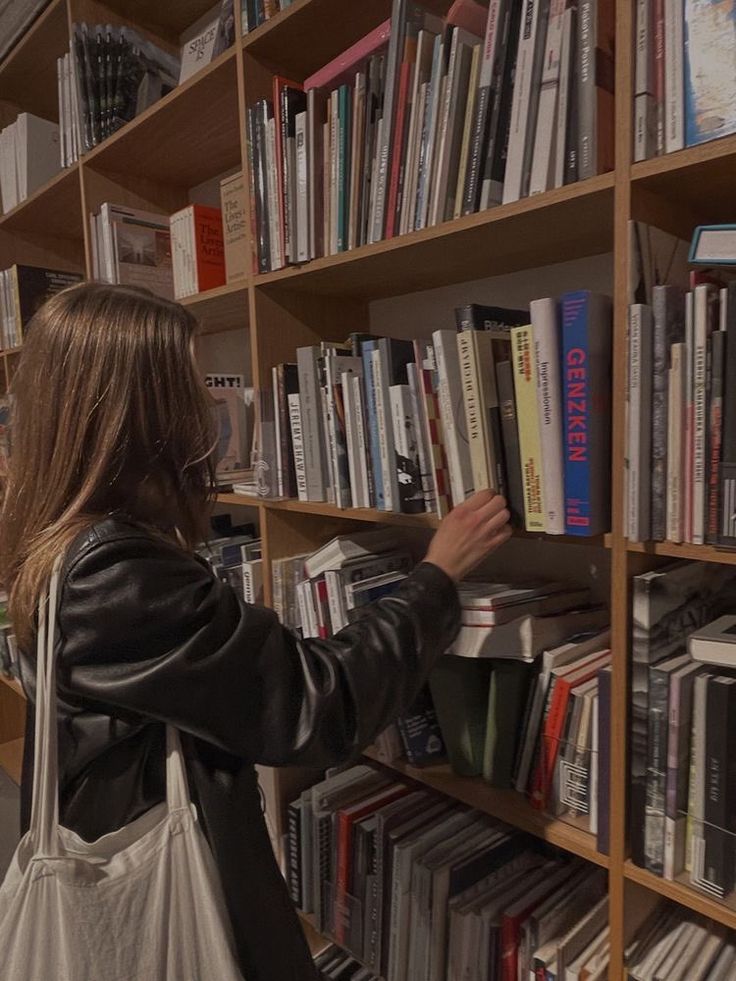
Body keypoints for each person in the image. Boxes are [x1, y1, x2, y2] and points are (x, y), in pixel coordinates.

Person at [0, 283, 511, 979]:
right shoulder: (115, 571)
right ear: (137, 411)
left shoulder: (59, 540)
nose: (209, 406)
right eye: (190, 382)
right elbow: (316, 704)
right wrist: (437, 576)